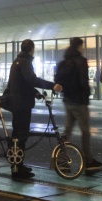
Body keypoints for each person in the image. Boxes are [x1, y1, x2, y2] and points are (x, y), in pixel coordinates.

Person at [5, 39, 61, 179]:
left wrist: (36, 93)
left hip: (18, 103)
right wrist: (52, 85)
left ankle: (18, 165)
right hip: (22, 105)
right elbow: (32, 79)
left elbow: (23, 83)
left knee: (19, 136)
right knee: (20, 136)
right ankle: (17, 169)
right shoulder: (25, 62)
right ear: (31, 49)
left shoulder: (17, 61)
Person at [55, 37, 102, 170]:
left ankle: (61, 160)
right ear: (79, 46)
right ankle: (88, 160)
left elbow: (58, 81)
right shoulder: (81, 62)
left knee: (68, 130)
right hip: (79, 101)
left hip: (67, 100)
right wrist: (87, 94)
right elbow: (83, 82)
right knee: (85, 131)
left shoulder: (63, 63)